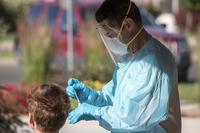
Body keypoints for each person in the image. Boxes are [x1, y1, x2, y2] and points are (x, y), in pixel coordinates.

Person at [66, 0, 181, 132]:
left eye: (112, 34)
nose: (112, 40)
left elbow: (134, 118)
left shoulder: (153, 62)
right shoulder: (129, 59)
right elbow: (116, 102)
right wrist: (90, 97)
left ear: (128, 25)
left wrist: (96, 112)